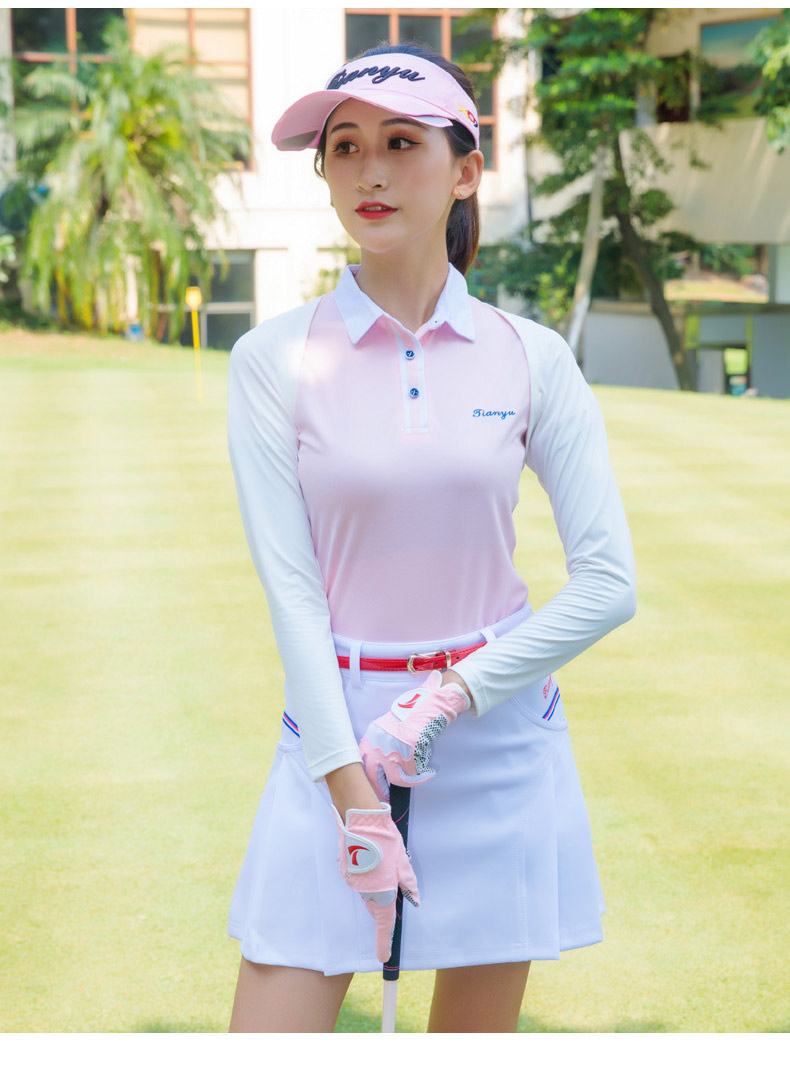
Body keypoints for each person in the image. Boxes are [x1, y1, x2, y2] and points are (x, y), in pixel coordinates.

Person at [225, 42, 636, 1034]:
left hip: (492, 738)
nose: (369, 171)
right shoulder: (272, 358)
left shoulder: (530, 357)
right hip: (337, 742)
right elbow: (293, 593)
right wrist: (352, 793)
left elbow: (608, 583)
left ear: (464, 171)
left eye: (402, 143)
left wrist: (452, 695)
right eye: (345, 147)